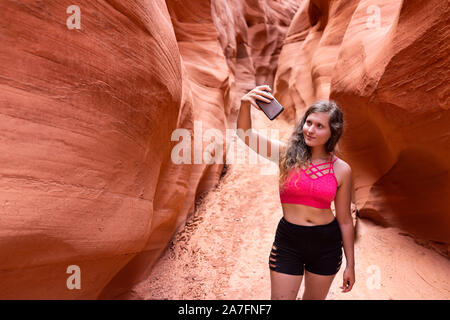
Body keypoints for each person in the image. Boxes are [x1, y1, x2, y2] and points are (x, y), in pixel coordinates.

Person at [236, 84, 355, 300]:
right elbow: (246, 136)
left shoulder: (342, 169)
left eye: (320, 126)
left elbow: (345, 220)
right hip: (289, 241)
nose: (310, 130)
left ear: (332, 132)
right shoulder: (285, 155)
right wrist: (245, 105)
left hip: (326, 244)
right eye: (308, 122)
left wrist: (351, 265)